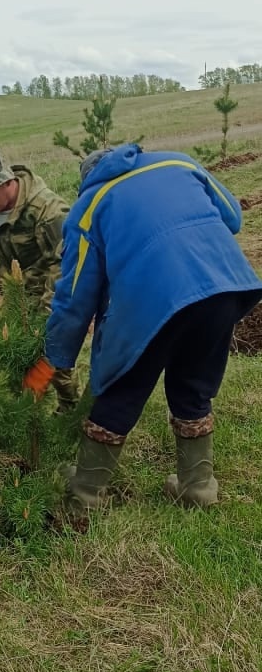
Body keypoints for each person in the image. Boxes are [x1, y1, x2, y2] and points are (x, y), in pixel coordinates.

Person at [23, 143, 262, 509]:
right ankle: (197, 487)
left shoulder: (90, 206)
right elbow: (232, 216)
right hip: (221, 287)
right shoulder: (179, 161)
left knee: (123, 387)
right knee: (194, 385)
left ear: (87, 180)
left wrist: (55, 359)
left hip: (152, 301)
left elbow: (74, 297)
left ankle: (85, 494)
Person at [0, 146, 78, 410]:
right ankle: (17, 410)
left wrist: (50, 311)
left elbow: (63, 265)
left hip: (49, 292)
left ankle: (69, 410)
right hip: (15, 291)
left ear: (6, 182)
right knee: (10, 349)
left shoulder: (47, 210)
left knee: (51, 355)